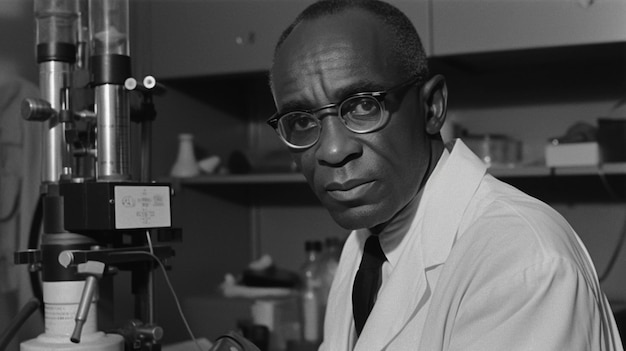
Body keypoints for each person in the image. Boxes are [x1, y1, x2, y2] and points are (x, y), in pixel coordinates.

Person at [266, 0, 624, 350]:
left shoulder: (519, 260)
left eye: (363, 105)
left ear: (431, 106)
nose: (331, 150)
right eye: (301, 121)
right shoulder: (366, 242)